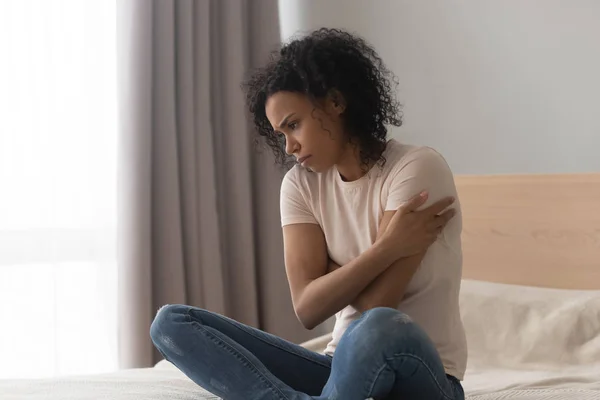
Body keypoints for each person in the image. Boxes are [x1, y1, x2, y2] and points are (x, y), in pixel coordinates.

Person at [150, 28, 467, 400]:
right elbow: (307, 307)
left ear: (335, 102)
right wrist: (387, 248)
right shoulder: (300, 186)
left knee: (379, 326)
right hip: (339, 371)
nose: (290, 146)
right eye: (281, 133)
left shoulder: (415, 168)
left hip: (422, 376)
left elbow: (375, 305)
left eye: (294, 124)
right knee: (171, 323)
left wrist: (330, 277)